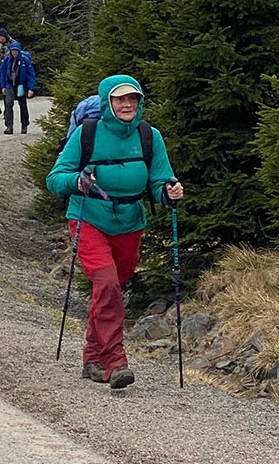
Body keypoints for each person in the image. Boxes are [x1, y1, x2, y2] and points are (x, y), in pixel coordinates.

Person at [46, 76, 185, 389]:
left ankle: (92, 355)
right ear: (107, 102)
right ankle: (114, 360)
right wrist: (76, 182)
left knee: (110, 288)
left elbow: (160, 178)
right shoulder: (87, 134)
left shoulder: (150, 136)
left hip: (129, 222)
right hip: (88, 217)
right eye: (120, 99)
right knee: (107, 282)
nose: (127, 105)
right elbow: (55, 178)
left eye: (132, 99)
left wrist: (169, 192)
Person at [0, 39, 36, 134]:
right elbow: (3, 74)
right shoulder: (7, 60)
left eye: (16, 50)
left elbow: (31, 74)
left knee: (22, 105)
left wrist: (31, 88)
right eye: (13, 50)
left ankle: (24, 125)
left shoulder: (24, 60)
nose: (14, 52)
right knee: (8, 105)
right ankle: (9, 126)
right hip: (9, 84)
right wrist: (3, 86)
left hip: (21, 85)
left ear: (19, 51)